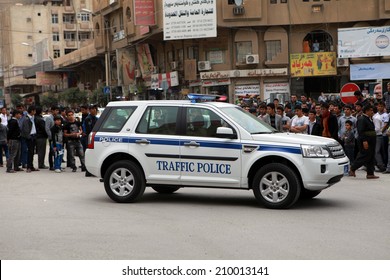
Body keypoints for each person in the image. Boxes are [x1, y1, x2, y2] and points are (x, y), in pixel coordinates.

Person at [349, 104, 379, 179]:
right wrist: (364, 141)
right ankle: (353, 168)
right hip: (365, 140)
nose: (372, 112)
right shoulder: (362, 119)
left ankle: (370, 173)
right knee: (364, 155)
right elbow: (361, 131)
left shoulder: (369, 118)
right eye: (371, 110)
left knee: (371, 156)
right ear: (366, 111)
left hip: (371, 140)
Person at [21, 105, 39, 172]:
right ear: (32, 111)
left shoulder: (33, 117)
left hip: (34, 136)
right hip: (30, 137)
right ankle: (28, 167)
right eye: (34, 111)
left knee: (32, 152)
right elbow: (25, 129)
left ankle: (31, 166)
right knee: (29, 152)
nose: (35, 112)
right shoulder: (26, 119)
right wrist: (29, 137)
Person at [372, 101, 388, 172]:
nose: (380, 107)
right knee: (377, 151)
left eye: (381, 106)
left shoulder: (386, 115)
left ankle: (384, 165)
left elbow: (385, 124)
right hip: (376, 135)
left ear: (384, 107)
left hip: (383, 135)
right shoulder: (375, 115)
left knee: (383, 151)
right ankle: (379, 165)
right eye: (379, 106)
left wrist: (381, 131)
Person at [45, 105, 60, 171]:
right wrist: (51, 136)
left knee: (57, 151)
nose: (57, 112)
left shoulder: (58, 118)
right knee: (51, 152)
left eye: (57, 110)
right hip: (51, 137)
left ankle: (57, 164)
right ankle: (51, 165)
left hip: (58, 138)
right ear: (52, 111)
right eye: (56, 110)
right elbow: (47, 128)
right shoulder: (49, 118)